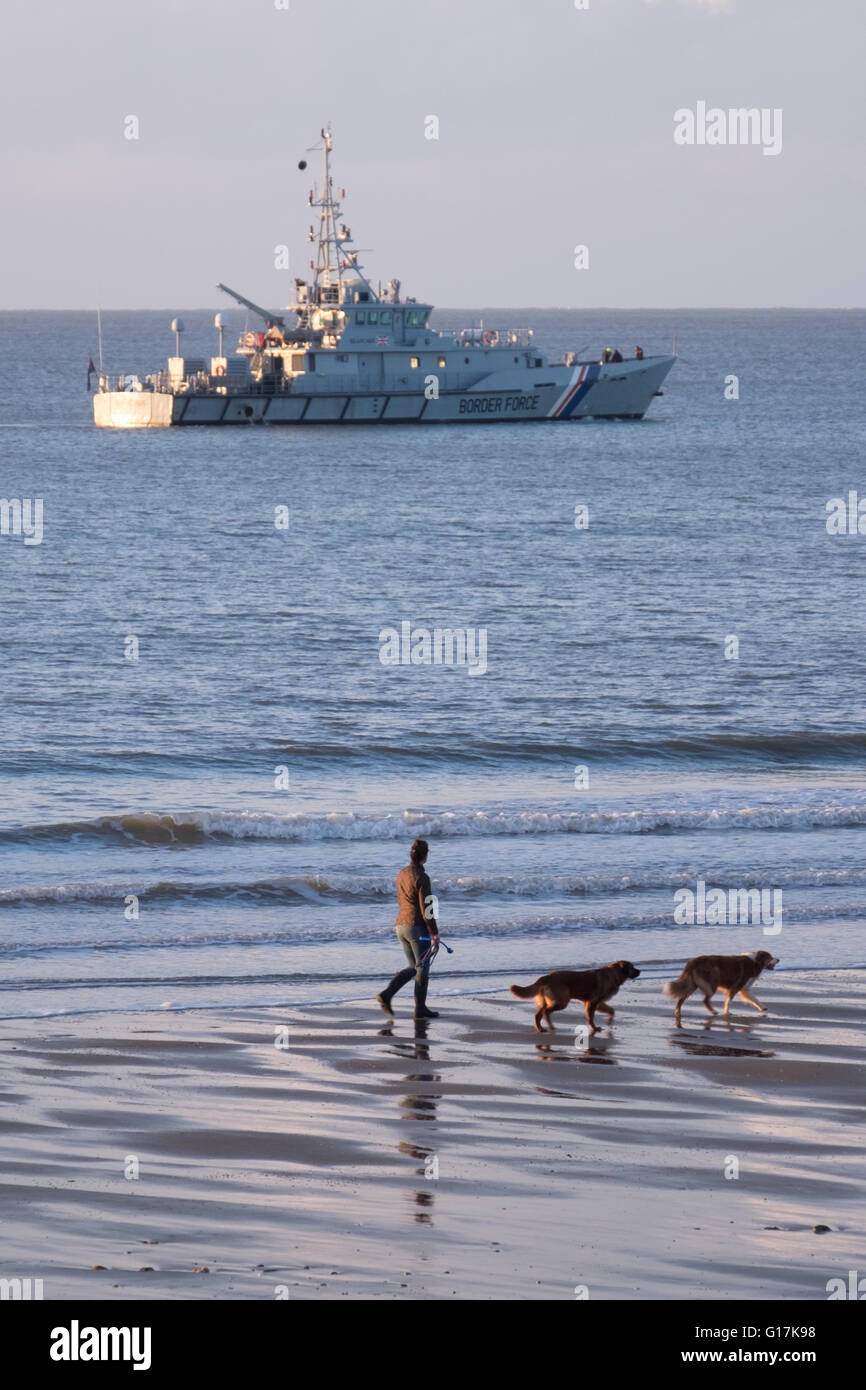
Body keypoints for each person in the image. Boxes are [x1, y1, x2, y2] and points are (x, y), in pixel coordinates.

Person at [377, 839, 440, 1019]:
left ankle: (389, 995)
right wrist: (434, 932)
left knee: (414, 967)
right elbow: (427, 907)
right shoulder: (422, 877)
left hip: (400, 925)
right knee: (423, 967)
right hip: (416, 927)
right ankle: (416, 1007)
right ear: (425, 857)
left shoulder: (402, 873)